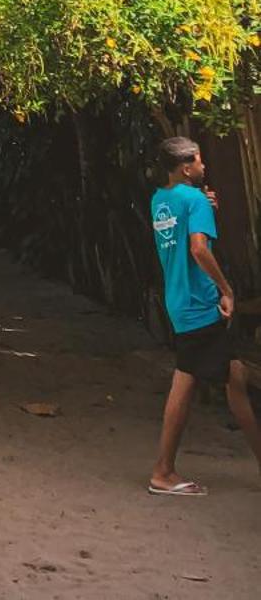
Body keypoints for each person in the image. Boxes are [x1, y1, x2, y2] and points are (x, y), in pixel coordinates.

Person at [148, 135, 261, 495]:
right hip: (199, 305)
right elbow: (198, 248)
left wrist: (203, 206)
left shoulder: (161, 199)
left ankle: (164, 470)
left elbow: (182, 228)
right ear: (186, 167)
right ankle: (163, 471)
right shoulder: (193, 199)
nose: (204, 166)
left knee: (229, 375)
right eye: (198, 161)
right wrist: (226, 289)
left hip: (178, 301)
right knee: (201, 379)